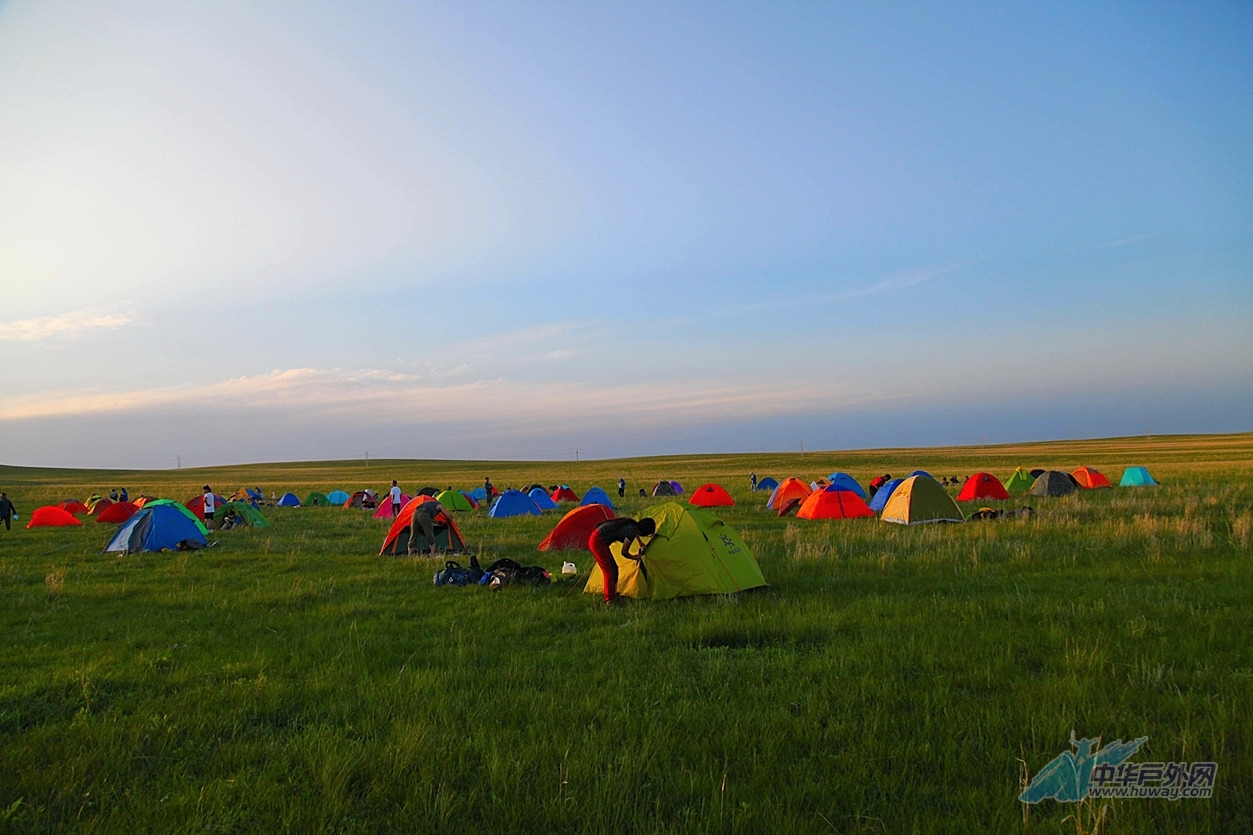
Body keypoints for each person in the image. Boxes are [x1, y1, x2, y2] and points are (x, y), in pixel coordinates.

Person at [587, 516, 657, 605]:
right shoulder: (632, 531)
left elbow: (634, 533)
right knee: (609, 571)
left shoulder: (633, 525)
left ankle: (613, 594)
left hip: (597, 538)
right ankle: (609, 600)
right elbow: (624, 552)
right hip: (597, 541)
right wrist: (636, 557)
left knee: (614, 568)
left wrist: (640, 543)